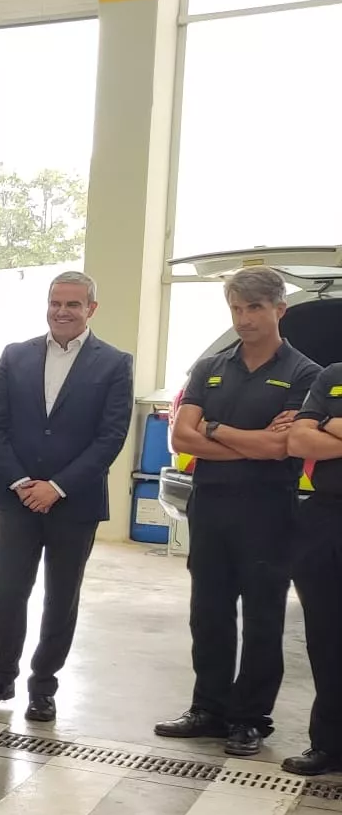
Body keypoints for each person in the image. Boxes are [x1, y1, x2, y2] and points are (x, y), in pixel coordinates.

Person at [156, 266, 320, 758]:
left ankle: (250, 718)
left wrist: (215, 431)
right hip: (211, 506)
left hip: (268, 510)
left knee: (264, 617)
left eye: (254, 308)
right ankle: (208, 708)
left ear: (279, 310)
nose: (244, 319)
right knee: (208, 612)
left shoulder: (303, 373)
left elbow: (282, 448)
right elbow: (180, 437)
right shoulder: (211, 366)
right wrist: (245, 439)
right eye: (236, 308)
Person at [0, 271, 133, 722]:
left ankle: (43, 687)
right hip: (17, 498)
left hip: (73, 503)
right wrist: (21, 481)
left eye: (73, 304)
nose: (62, 311)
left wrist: (57, 487)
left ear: (91, 309)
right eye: (56, 302)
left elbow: (111, 437)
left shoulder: (115, 363)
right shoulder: (16, 355)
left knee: (61, 597)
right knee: (5, 593)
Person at [284, 359, 342, 777]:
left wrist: (331, 427)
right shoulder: (333, 376)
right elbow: (298, 441)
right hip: (325, 521)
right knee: (325, 639)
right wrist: (315, 430)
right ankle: (327, 744)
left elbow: (315, 432)